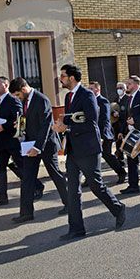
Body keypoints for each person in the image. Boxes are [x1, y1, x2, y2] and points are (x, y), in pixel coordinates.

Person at [52, 64, 126, 239]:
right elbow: (72, 120)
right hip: (73, 149)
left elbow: (91, 121)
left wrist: (66, 126)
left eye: (62, 76)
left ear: (71, 77)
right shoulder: (69, 96)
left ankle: (118, 208)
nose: (60, 79)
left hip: (88, 148)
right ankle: (76, 229)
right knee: (72, 191)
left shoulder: (87, 95)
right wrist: (63, 127)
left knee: (95, 185)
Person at [9, 77, 68, 223]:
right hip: (29, 145)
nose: (17, 98)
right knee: (27, 178)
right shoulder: (24, 102)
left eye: (17, 95)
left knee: (55, 175)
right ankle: (26, 213)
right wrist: (19, 128)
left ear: (23, 89)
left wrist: (37, 147)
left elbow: (46, 126)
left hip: (46, 145)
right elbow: (25, 119)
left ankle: (70, 203)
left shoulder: (42, 100)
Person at [0, 77, 43, 207]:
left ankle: (37, 186)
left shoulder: (13, 100)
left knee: (21, 166)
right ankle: (2, 196)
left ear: (6, 85)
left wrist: (4, 126)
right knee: (0, 168)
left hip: (12, 140)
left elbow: (19, 118)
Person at [88, 81, 127, 185]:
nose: (89, 91)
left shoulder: (103, 101)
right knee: (90, 157)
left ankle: (121, 172)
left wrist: (101, 136)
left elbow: (105, 120)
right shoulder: (88, 101)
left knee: (107, 155)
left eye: (91, 89)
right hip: (91, 134)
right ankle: (90, 178)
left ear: (97, 89)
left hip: (103, 134)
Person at [112, 82, 129, 168]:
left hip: (126, 126)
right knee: (119, 145)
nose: (119, 89)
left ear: (125, 89)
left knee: (127, 145)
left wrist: (119, 114)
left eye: (121, 87)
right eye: (118, 87)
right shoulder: (115, 100)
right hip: (117, 126)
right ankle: (121, 163)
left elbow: (128, 113)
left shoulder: (128, 99)